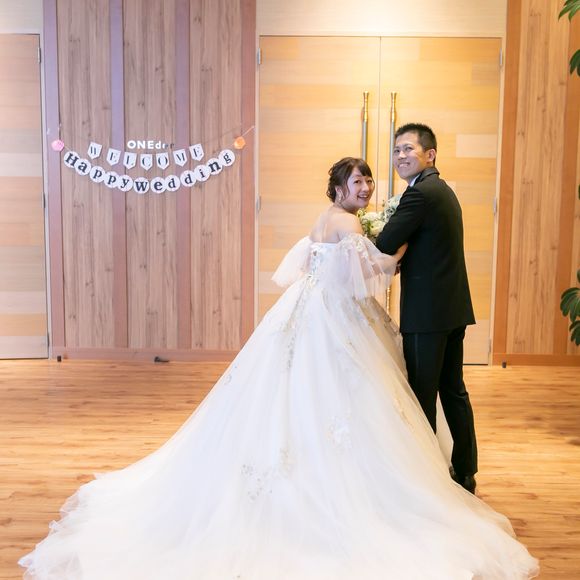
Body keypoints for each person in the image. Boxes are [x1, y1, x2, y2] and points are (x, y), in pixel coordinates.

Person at [19, 158, 538, 579]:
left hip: (304, 311)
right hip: (335, 318)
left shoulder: (324, 220)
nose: (365, 188)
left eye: (368, 181)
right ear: (338, 188)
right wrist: (396, 254)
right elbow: (365, 277)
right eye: (357, 182)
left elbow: (313, 266)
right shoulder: (347, 223)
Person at [376, 123, 478, 493]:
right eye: (396, 150)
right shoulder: (442, 190)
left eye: (408, 149)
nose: (400, 156)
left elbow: (386, 241)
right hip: (451, 309)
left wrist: (389, 249)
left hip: (427, 314)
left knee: (422, 394)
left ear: (430, 154)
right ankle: (465, 471)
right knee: (453, 390)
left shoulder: (419, 194)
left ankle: (427, 479)